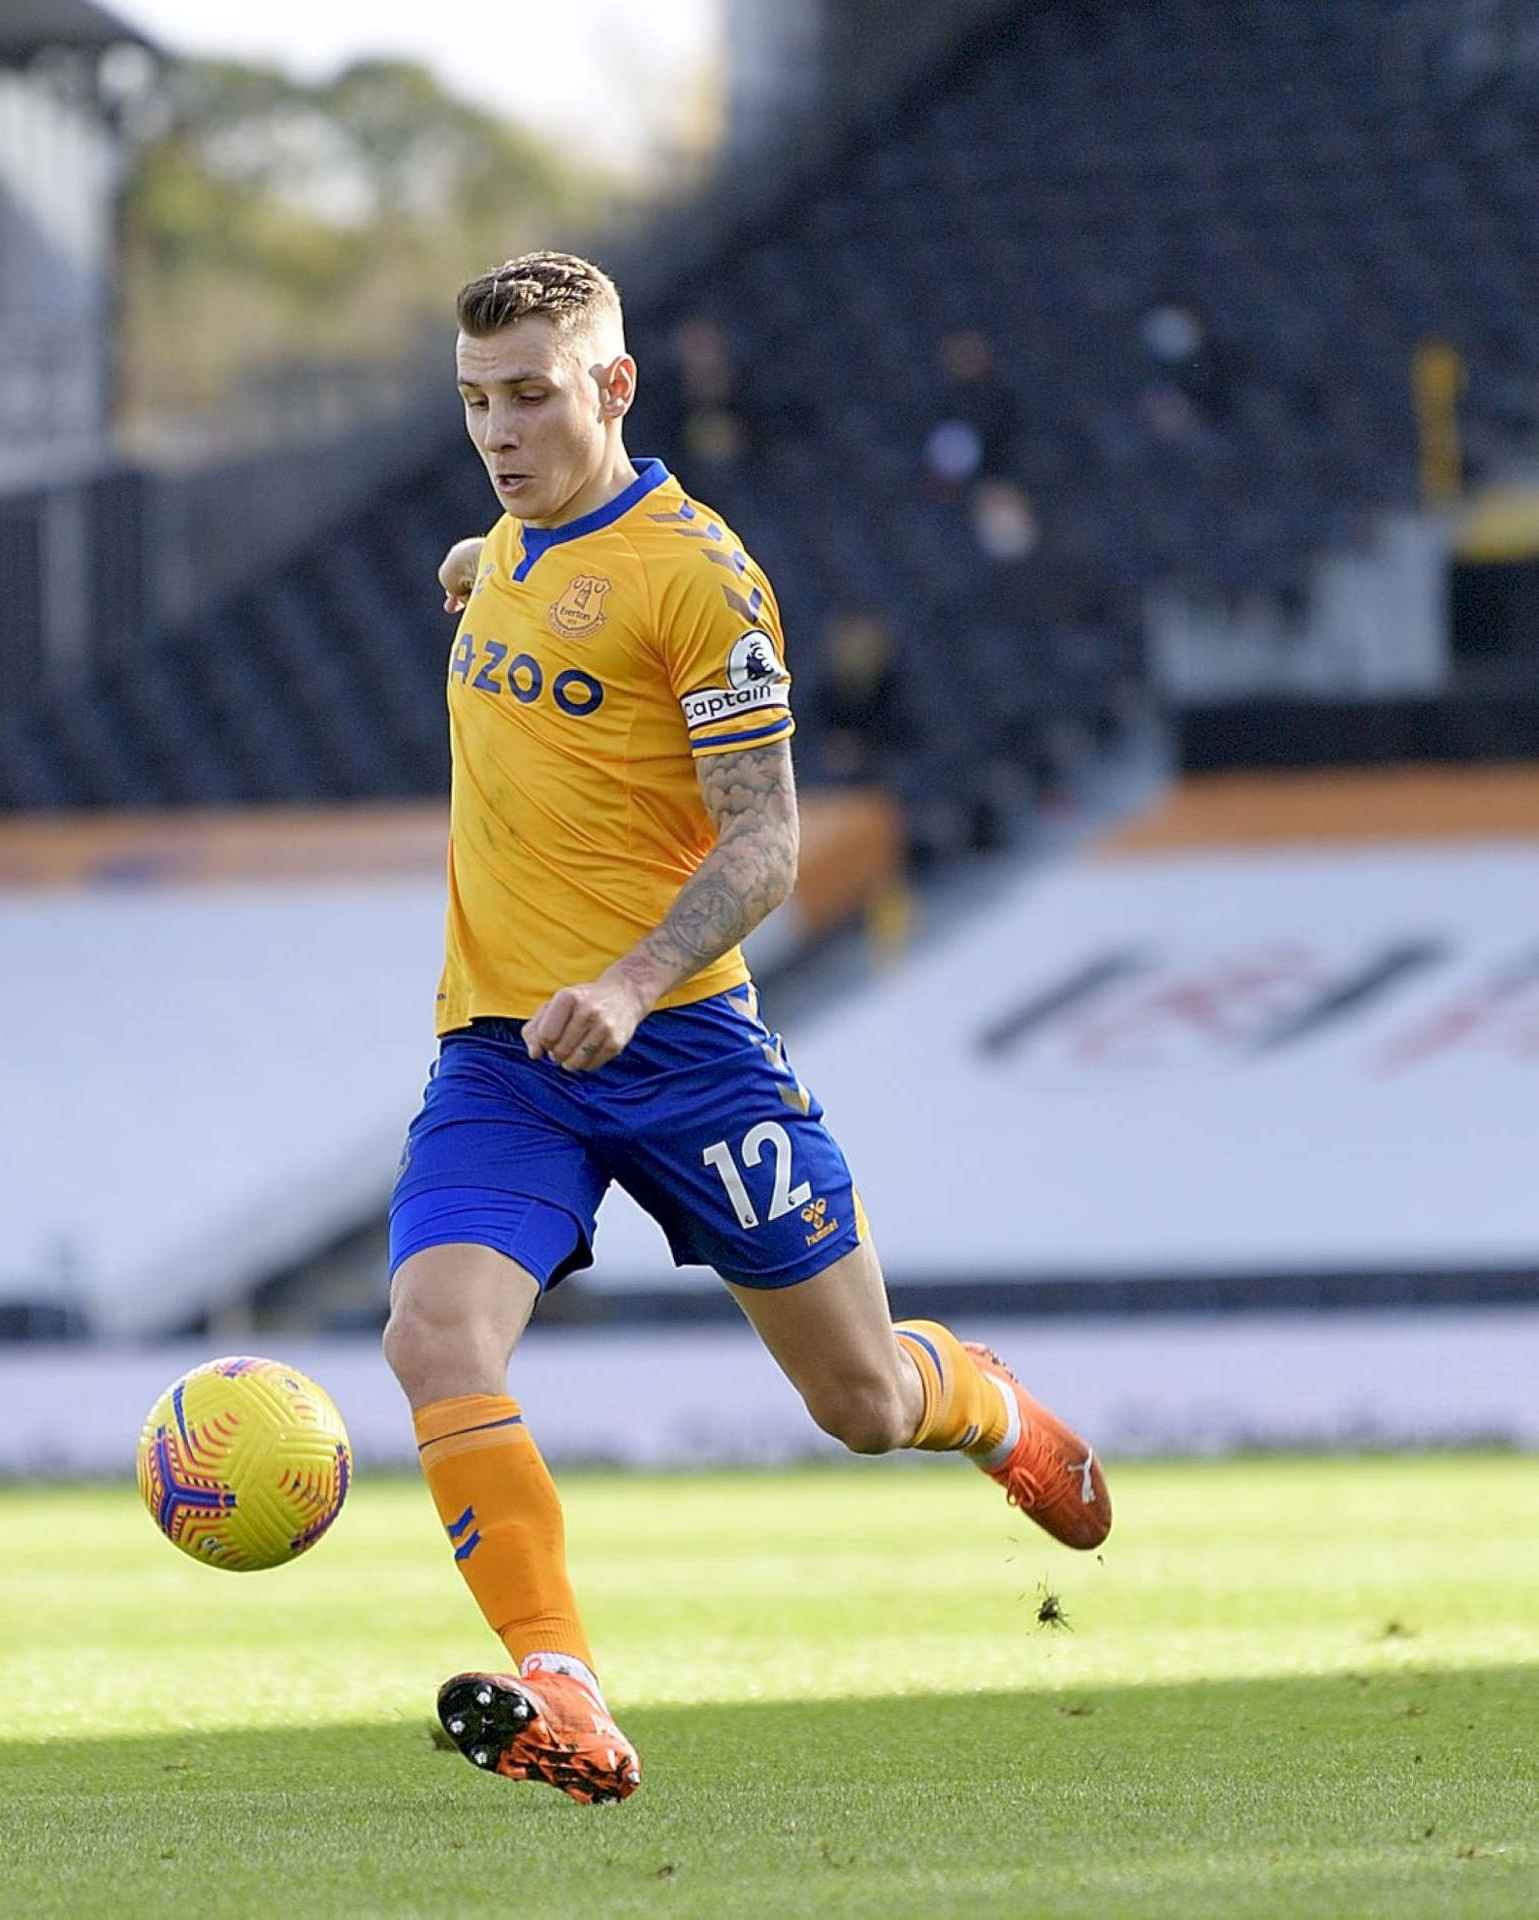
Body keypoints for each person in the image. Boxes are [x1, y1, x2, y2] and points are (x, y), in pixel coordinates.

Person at [384, 251, 1110, 1807]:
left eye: (532, 397)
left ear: (616, 386)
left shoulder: (702, 581)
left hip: (684, 1046)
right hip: (503, 1054)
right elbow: (523, 561)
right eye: (475, 405)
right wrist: (483, 552)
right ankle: (563, 1688)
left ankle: (976, 1401)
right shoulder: (502, 543)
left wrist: (633, 981)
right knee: (432, 1334)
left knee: (861, 1404)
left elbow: (768, 844)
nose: (501, 433)